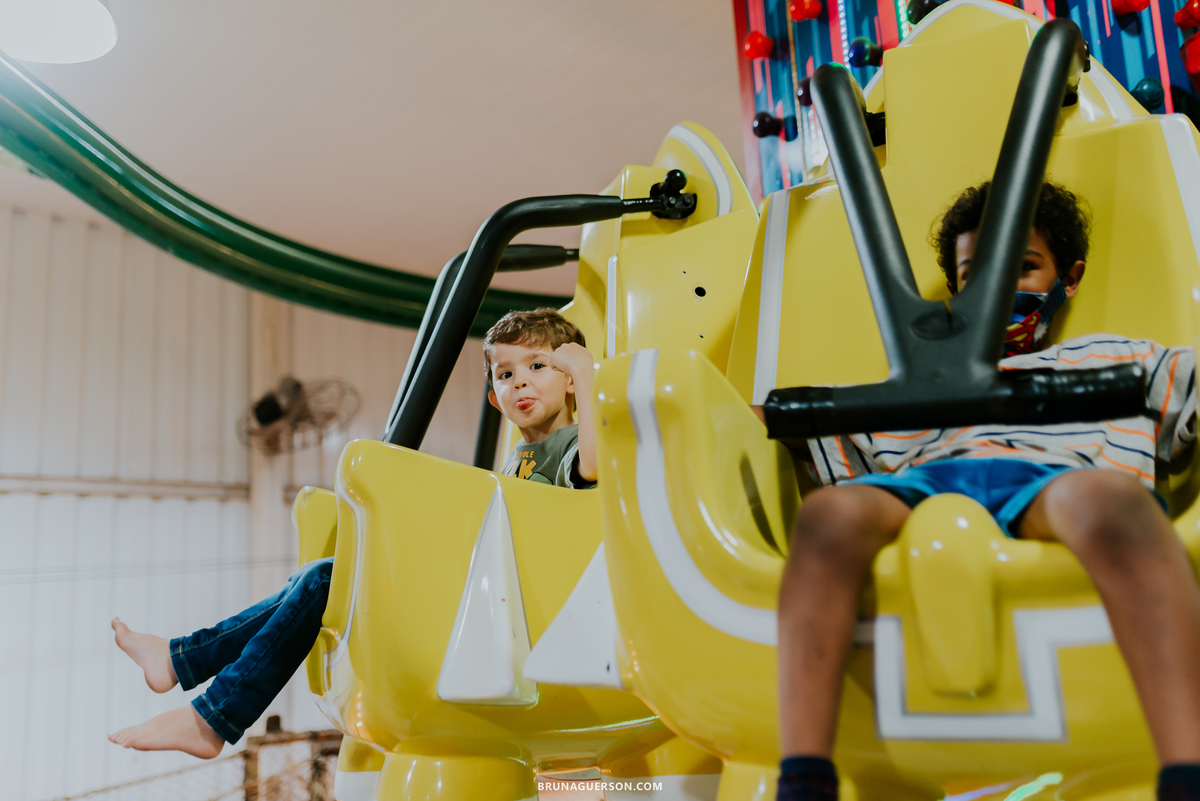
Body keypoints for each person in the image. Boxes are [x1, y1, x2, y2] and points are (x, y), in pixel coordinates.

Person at [772, 183, 1200, 801]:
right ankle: (805, 777)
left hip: (1060, 478)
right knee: (829, 515)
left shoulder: (1117, 356)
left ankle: (1186, 770)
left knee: (1114, 505)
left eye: (1022, 268)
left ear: (1068, 277)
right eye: (975, 274)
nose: (996, 290)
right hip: (931, 482)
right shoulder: (917, 381)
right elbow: (781, 428)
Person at [108, 308, 598, 758]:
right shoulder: (515, 459)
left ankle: (204, 708)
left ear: (571, 380)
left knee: (325, 580)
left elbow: (595, 469)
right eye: (506, 374)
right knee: (319, 576)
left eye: (538, 366)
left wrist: (589, 375)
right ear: (494, 396)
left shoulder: (571, 443)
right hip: (495, 600)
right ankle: (183, 666)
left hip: (535, 607)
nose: (520, 383)